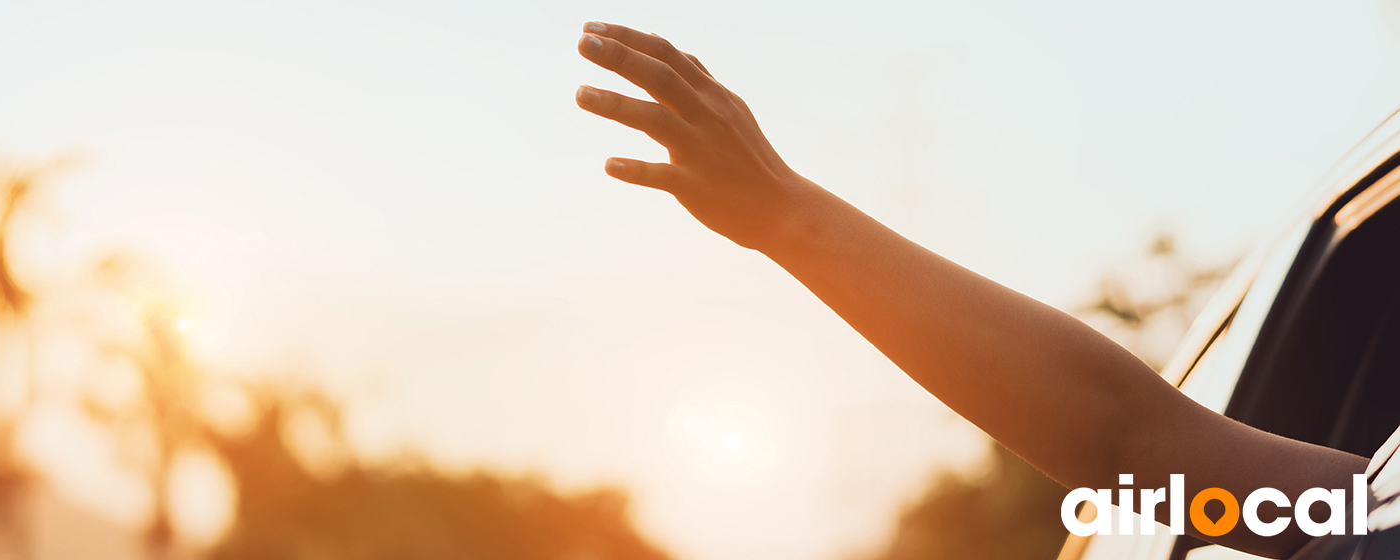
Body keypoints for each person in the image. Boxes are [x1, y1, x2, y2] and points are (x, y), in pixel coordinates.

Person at [569, 21, 1391, 559]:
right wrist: (788, 218)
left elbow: (1127, 438)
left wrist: (791, 219)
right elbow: (1126, 440)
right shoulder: (1367, 513)